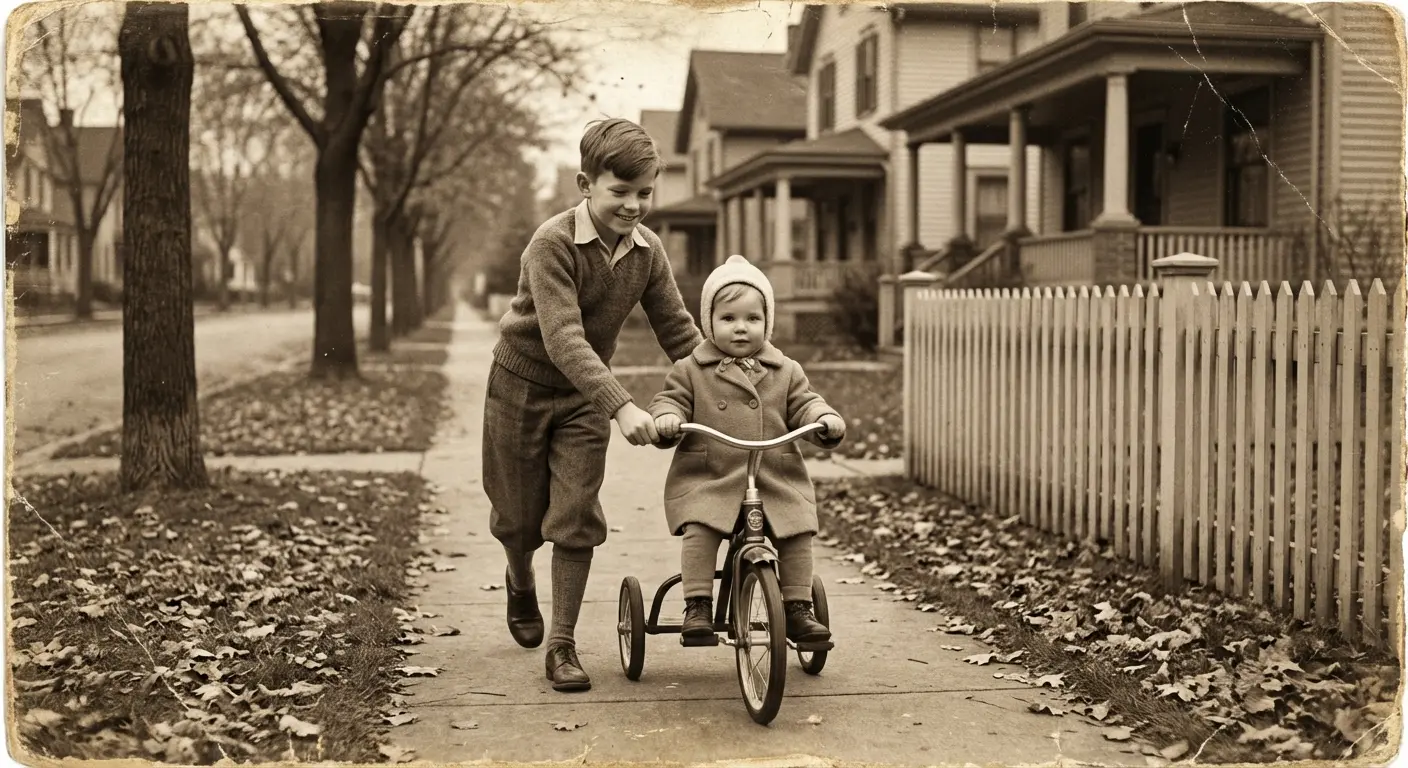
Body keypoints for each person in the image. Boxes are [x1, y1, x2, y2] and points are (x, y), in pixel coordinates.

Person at [482, 118, 704, 692]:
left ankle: (562, 645)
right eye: (620, 192)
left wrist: (729, 374)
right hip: (520, 386)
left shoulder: (647, 252)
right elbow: (563, 338)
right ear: (586, 183)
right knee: (516, 518)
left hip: (582, 400)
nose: (634, 206)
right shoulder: (551, 242)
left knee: (575, 516)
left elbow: (676, 328)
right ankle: (518, 578)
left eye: (645, 193)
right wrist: (623, 405)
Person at [648, 255, 846, 643]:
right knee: (701, 527)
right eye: (729, 319)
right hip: (711, 475)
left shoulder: (786, 369)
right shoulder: (691, 368)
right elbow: (668, 400)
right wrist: (667, 418)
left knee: (796, 529)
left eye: (753, 319)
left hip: (774, 473)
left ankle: (797, 607)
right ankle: (698, 605)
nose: (741, 328)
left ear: (767, 322)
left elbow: (805, 403)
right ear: (709, 322)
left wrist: (823, 418)